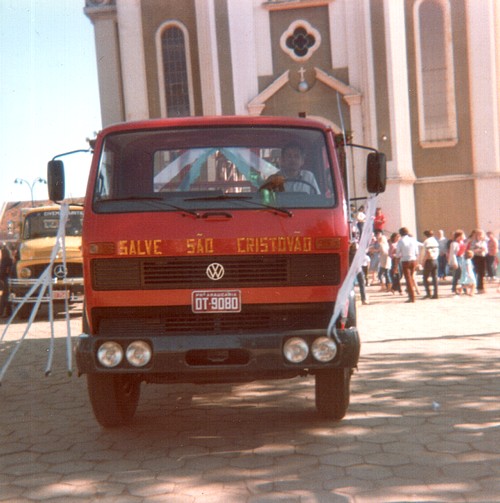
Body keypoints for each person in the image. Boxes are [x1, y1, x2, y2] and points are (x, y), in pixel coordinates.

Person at [395, 227, 419, 302]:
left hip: (405, 260)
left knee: (408, 279)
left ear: (400, 233)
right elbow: (417, 252)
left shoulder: (400, 241)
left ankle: (412, 297)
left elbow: (397, 254)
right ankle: (411, 292)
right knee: (411, 277)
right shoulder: (413, 240)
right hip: (413, 259)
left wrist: (396, 265)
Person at [421, 230, 439, 299]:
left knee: (425, 277)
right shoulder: (435, 241)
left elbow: (428, 252)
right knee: (434, 277)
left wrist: (423, 261)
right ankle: (436, 293)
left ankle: (428, 293)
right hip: (435, 260)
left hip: (429, 260)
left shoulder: (427, 241)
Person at [448, 230, 466, 294]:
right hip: (457, 258)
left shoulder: (462, 242)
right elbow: (452, 254)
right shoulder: (454, 243)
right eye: (462, 235)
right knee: (457, 274)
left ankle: (464, 288)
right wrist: (454, 262)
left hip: (462, 258)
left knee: (463, 273)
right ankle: (454, 288)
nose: (464, 236)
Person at [0, 243, 13, 318]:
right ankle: (7, 311)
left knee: (6, 294)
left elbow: (8, 264)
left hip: (5, 276)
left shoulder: (5, 251)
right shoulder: (5, 250)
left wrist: (4, 275)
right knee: (6, 294)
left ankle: (4, 312)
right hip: (4, 275)